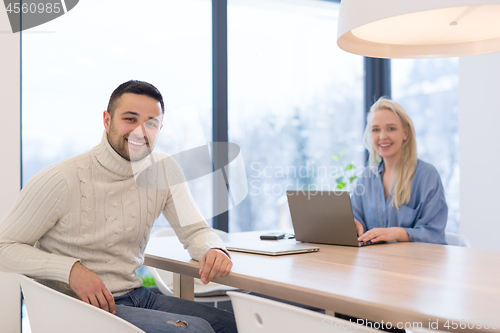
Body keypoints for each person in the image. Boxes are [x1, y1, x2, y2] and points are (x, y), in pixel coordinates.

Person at [0, 80, 237, 333]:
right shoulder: (62, 178)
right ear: (107, 120)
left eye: (151, 123)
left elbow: (196, 231)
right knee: (194, 330)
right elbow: (5, 247)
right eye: (130, 119)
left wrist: (213, 248)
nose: (140, 131)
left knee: (233, 324)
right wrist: (70, 270)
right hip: (74, 306)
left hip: (135, 296)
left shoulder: (164, 169)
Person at [351, 97, 447, 245]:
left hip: (418, 264)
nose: (382, 136)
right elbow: (356, 220)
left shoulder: (427, 175)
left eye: (391, 128)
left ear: (405, 133)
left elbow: (433, 233)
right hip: (375, 264)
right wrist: (352, 225)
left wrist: (397, 233)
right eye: (376, 130)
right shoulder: (366, 177)